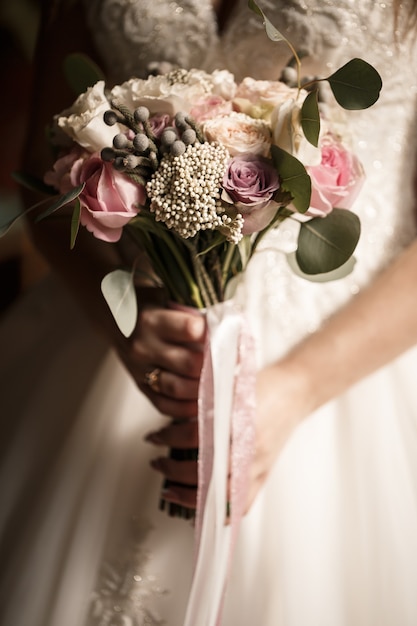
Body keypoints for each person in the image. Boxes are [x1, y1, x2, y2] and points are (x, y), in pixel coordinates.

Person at [1, 0, 417, 624]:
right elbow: (45, 162)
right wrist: (128, 324)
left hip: (344, 372)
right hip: (113, 340)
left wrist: (293, 391)